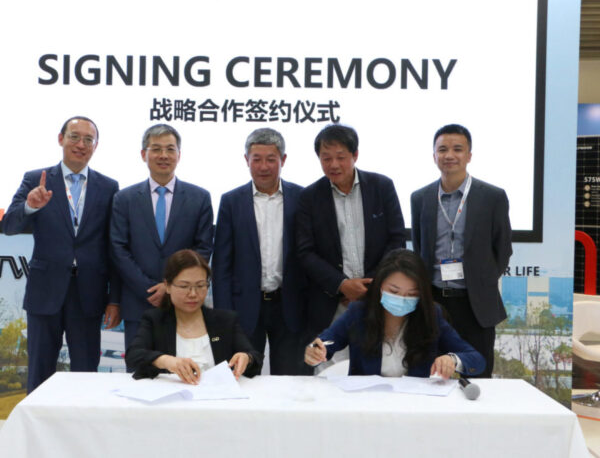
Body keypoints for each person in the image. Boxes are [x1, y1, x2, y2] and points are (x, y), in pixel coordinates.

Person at [1, 116, 120, 393]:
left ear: (96, 146)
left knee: (86, 374)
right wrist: (30, 206)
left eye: (88, 139)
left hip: (89, 293)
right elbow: (9, 226)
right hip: (46, 291)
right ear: (61, 139)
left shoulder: (109, 187)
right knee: (40, 372)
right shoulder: (36, 179)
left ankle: (82, 420)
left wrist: (114, 299)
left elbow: (113, 247)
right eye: (74, 137)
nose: (81, 144)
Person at [296, 124, 406, 365]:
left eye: (341, 157)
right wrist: (343, 285)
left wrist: (369, 285)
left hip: (380, 298)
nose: (334, 165)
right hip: (331, 303)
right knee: (330, 369)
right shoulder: (309, 197)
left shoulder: (381, 187)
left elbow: (396, 239)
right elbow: (306, 252)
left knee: (380, 368)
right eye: (326, 158)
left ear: (355, 155)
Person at [410, 124, 512, 378]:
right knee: (430, 375)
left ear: (469, 155)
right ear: (434, 156)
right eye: (442, 149)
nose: (449, 155)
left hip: (475, 304)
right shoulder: (420, 198)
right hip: (434, 302)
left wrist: (481, 281)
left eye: (457, 149)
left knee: (478, 374)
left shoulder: (492, 197)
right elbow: (420, 247)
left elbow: (502, 249)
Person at [212, 128, 307, 375]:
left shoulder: (302, 197)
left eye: (271, 159)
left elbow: (309, 255)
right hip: (244, 308)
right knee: (243, 378)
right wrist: (223, 316)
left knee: (291, 381)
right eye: (257, 159)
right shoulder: (231, 201)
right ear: (247, 160)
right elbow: (222, 265)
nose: (263, 167)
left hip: (290, 307)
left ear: (283, 160)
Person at [110, 124, 213, 351]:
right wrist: (148, 288)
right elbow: (118, 249)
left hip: (184, 303)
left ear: (179, 155)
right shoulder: (124, 199)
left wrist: (171, 287)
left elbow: (203, 248)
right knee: (140, 368)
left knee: (185, 367)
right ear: (143, 154)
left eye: (170, 149)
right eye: (156, 149)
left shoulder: (200, 198)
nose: (163, 155)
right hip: (139, 303)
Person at [305, 249, 485, 377]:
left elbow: (477, 360)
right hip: (367, 404)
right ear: (379, 285)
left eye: (412, 294)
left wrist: (452, 360)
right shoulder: (358, 312)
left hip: (413, 405)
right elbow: (325, 343)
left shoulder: (431, 315)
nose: (402, 299)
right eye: (394, 291)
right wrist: (315, 351)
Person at [126, 249, 263, 383]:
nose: (193, 294)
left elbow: (255, 357)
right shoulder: (154, 320)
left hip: (216, 395)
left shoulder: (225, 320)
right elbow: (133, 355)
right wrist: (165, 360)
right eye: (184, 286)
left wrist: (246, 358)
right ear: (167, 286)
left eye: (200, 285)